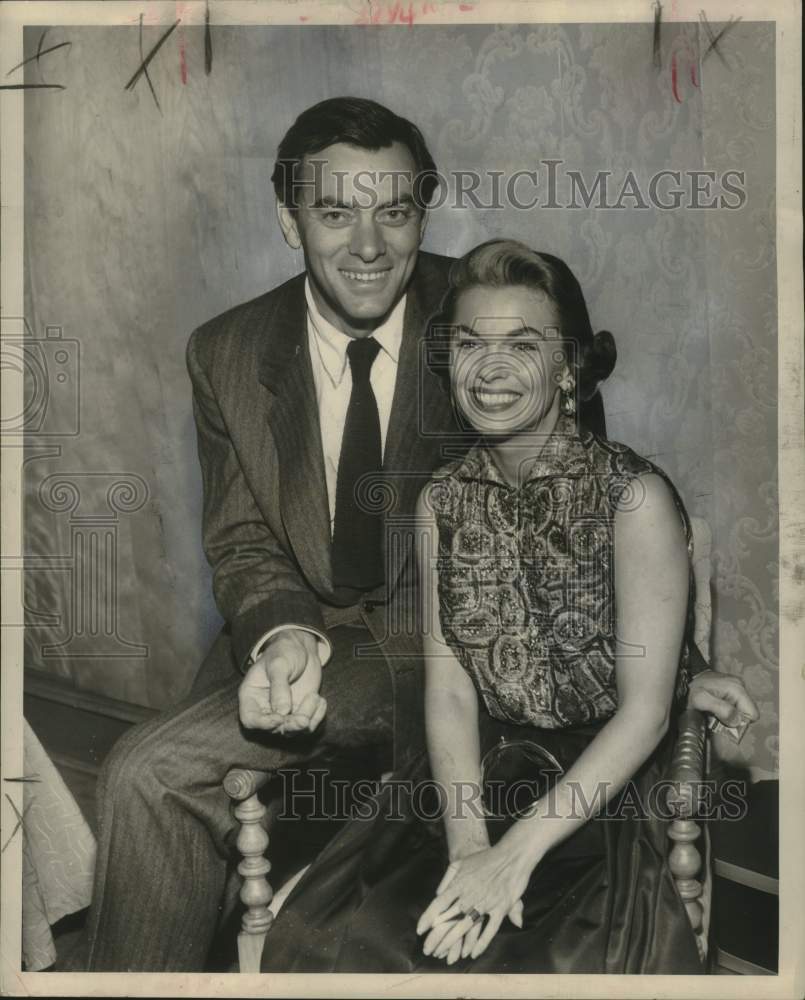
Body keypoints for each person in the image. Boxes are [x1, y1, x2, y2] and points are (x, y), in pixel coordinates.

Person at [73, 100, 757, 972]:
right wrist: (283, 637)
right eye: (333, 212)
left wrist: (678, 667)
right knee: (146, 773)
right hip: (324, 652)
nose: (368, 246)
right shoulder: (228, 350)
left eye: (393, 211)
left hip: (459, 675)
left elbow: (585, 523)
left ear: (421, 214)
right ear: (289, 219)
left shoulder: (484, 307)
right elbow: (244, 539)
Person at [259, 240, 755, 974]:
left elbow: (643, 714)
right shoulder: (439, 504)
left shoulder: (633, 501)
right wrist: (469, 848)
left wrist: (511, 858)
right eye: (468, 341)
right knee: (334, 945)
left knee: (538, 961)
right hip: (470, 778)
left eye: (521, 344)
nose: (489, 368)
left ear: (570, 368)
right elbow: (451, 691)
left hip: (600, 787)